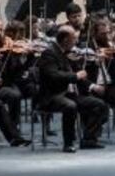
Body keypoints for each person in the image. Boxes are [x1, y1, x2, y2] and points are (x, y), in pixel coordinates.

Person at [36, 24, 107, 152]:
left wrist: (92, 85)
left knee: (98, 104)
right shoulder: (49, 53)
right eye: (74, 38)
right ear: (65, 40)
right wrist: (75, 76)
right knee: (70, 106)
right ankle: (68, 143)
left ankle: (89, 140)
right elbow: (53, 75)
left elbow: (79, 75)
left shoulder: (67, 53)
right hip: (52, 96)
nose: (76, 41)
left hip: (67, 94)